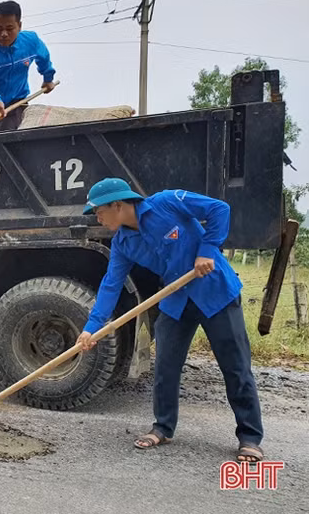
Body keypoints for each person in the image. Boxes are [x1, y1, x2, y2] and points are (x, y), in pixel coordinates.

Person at [77, 178, 264, 464]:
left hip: (215, 293)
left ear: (118, 205)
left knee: (235, 367)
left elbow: (219, 209)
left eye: (99, 211)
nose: (97, 218)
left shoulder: (166, 203)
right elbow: (111, 284)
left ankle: (249, 437)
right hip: (176, 300)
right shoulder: (122, 243)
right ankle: (163, 427)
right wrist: (91, 328)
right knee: (165, 367)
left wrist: (206, 250)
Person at [0, 0, 56, 134]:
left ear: (19, 26)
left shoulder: (31, 41)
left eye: (9, 29)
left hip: (17, 103)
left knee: (5, 132)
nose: (4, 34)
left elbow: (43, 57)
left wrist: (48, 78)